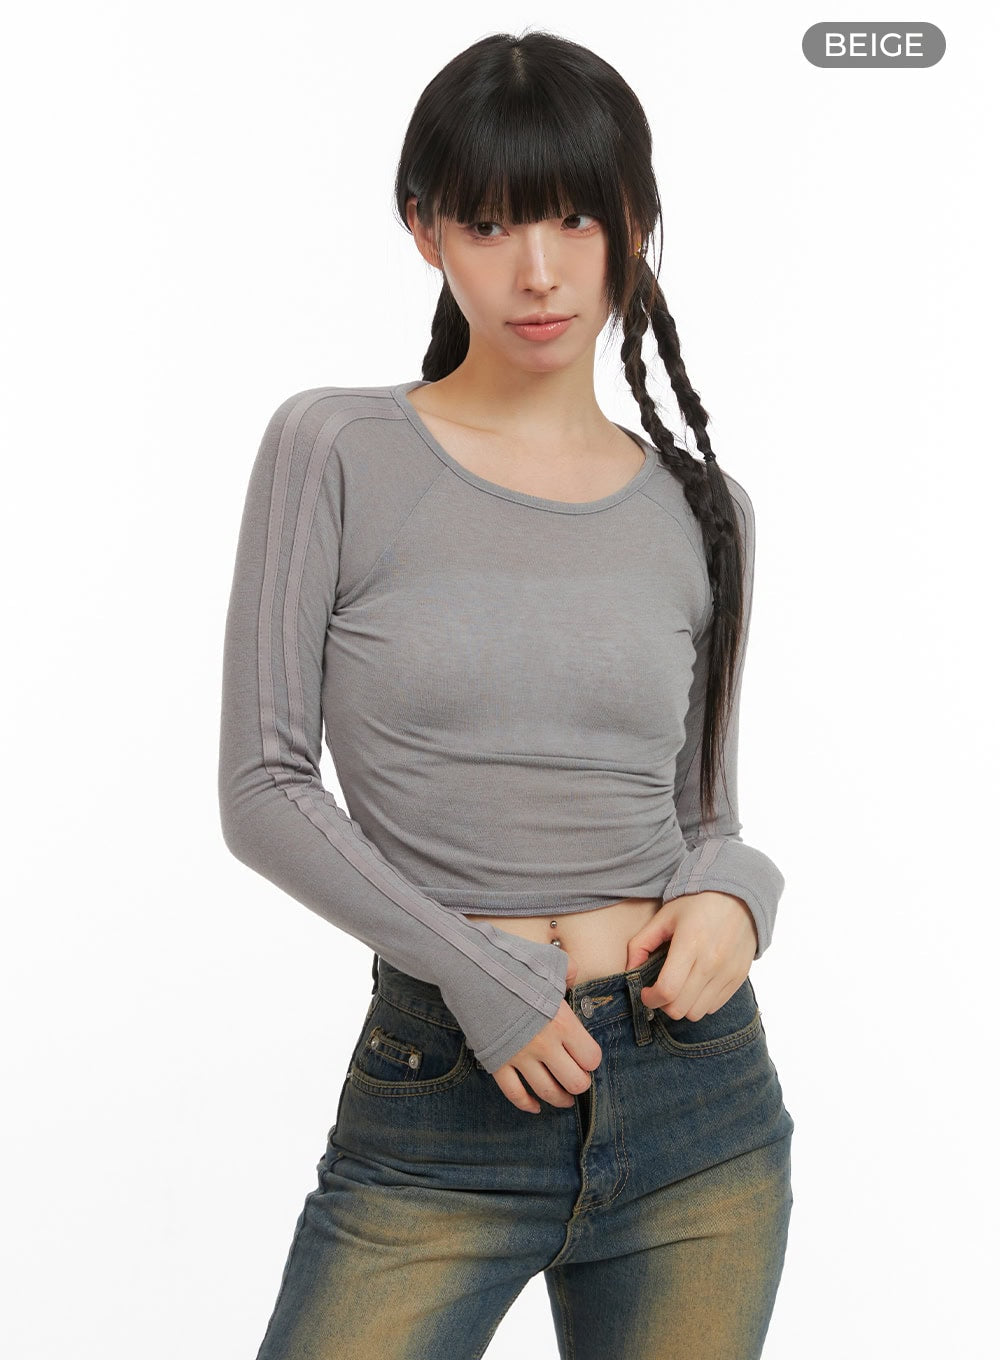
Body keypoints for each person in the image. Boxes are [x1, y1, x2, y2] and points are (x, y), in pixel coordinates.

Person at [218, 27, 795, 1360]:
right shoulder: (337, 448)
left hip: (699, 1097)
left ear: (635, 225)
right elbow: (264, 787)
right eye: (489, 224)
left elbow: (702, 812)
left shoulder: (708, 512)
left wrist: (741, 892)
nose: (539, 272)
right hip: (443, 1093)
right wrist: (480, 974)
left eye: (577, 219)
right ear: (424, 229)